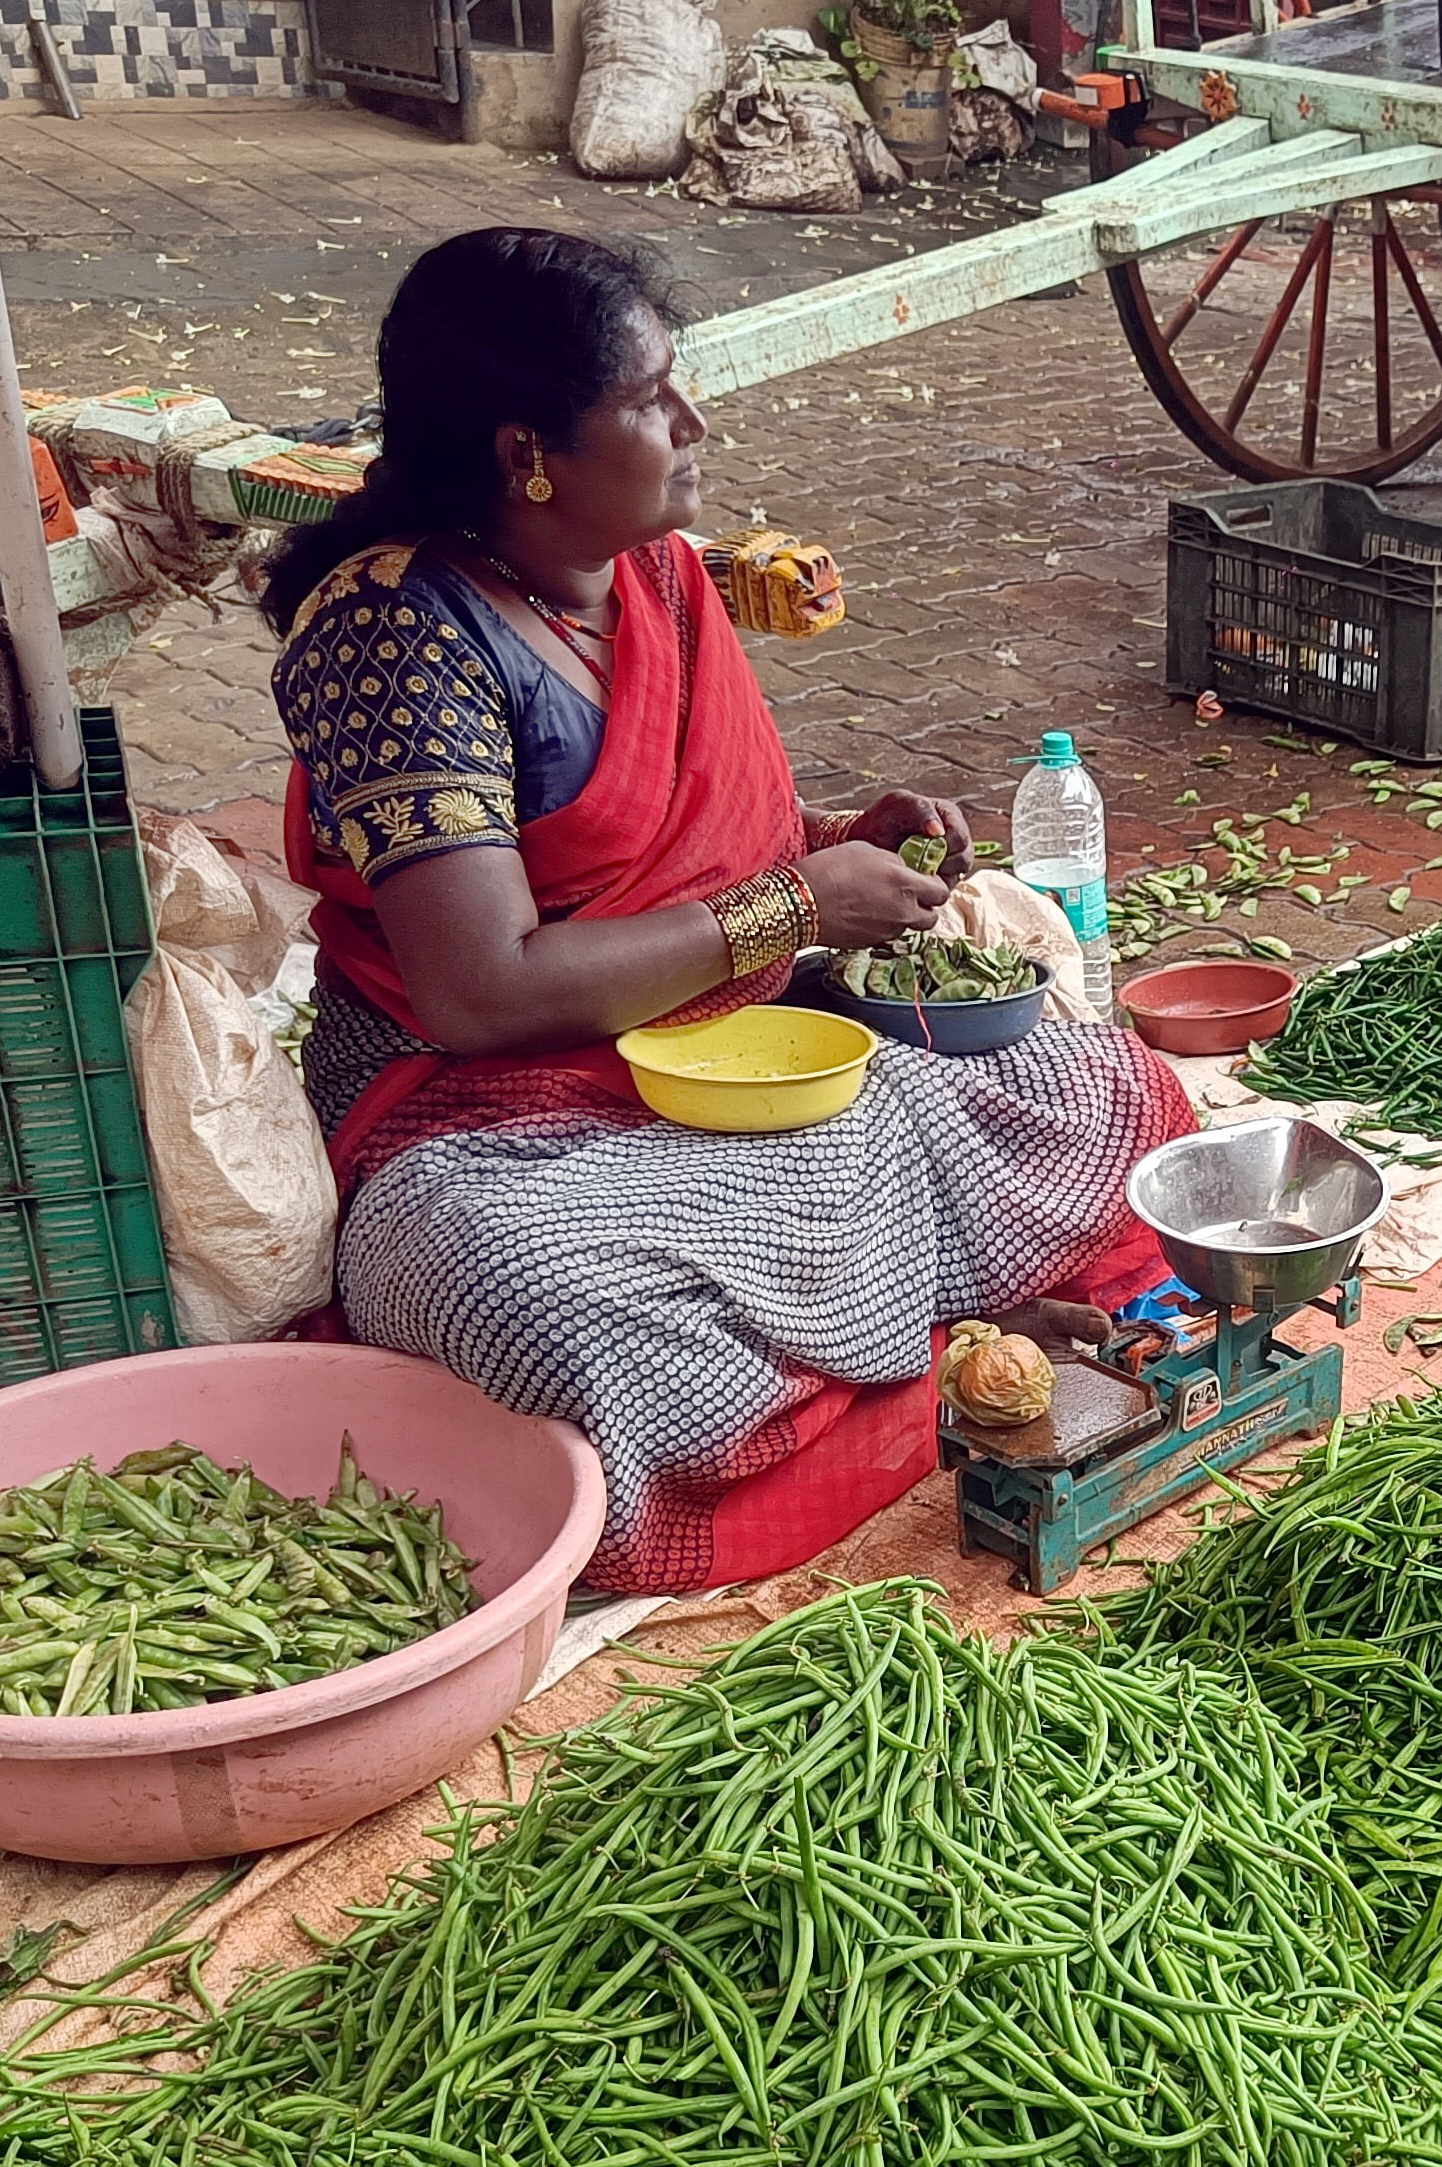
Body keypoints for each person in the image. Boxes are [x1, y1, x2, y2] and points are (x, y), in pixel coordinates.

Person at [259, 228, 1194, 1595]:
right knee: (530, 1304)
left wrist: (831, 843)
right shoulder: (394, 635)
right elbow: (482, 991)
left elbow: (677, 849)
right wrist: (801, 901)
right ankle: (929, 1367)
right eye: (650, 398)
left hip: (726, 1061)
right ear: (527, 453)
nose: (693, 423)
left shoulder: (652, 572)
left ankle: (911, 1340)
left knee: (1103, 1091)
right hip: (489, 1122)